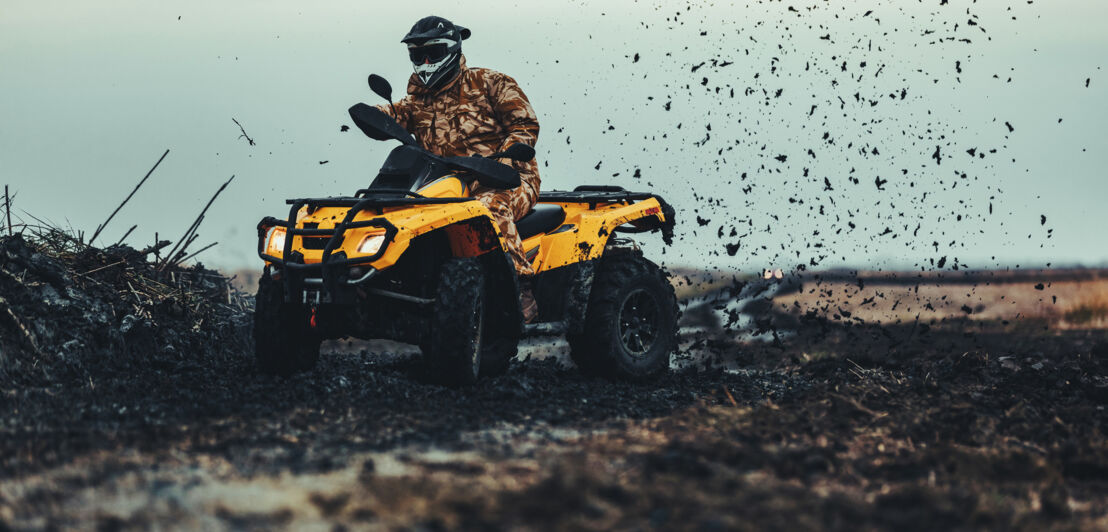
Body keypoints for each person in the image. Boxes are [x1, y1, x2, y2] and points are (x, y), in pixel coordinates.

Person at [375, 15, 541, 322]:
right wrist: (373, 115)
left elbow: (525, 124)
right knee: (391, 213)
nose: (425, 61)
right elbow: (396, 113)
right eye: (417, 55)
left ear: (452, 50)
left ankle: (520, 287)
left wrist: (507, 156)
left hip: (503, 179)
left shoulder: (491, 83)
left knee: (489, 209)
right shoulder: (417, 100)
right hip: (443, 184)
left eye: (433, 53)